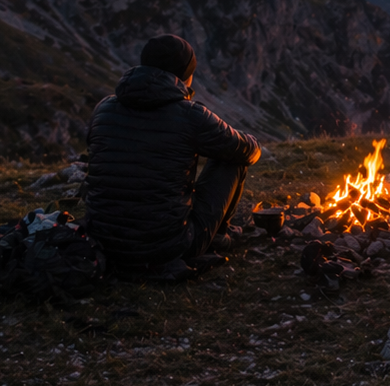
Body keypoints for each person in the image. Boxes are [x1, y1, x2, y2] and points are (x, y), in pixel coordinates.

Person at [83, 33, 261, 279]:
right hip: (166, 247)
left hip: (102, 241)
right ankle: (217, 236)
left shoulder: (104, 108)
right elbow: (248, 151)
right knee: (232, 159)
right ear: (186, 74)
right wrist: (241, 138)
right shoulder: (190, 115)